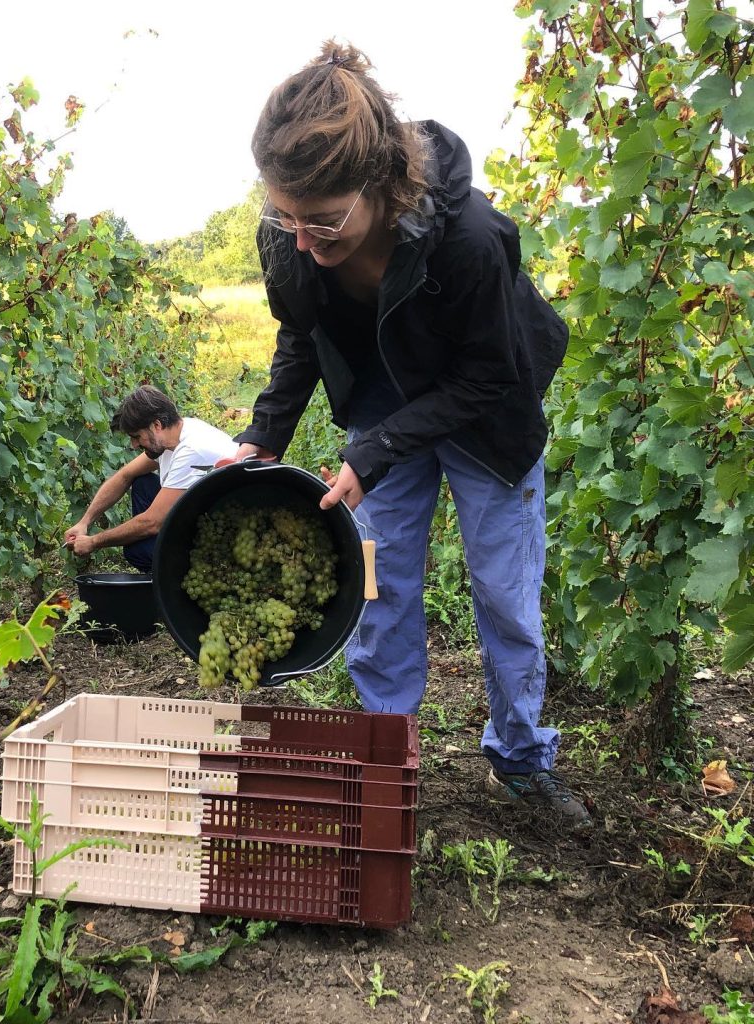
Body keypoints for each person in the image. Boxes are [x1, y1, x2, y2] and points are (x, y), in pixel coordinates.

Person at [234, 42, 590, 827]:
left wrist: (375, 449)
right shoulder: (290, 229)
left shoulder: (467, 236)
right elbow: (300, 333)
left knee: (505, 596)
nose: (300, 239)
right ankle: (385, 756)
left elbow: (490, 374)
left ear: (379, 187)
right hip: (380, 400)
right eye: (283, 216)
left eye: (323, 222)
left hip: (487, 408)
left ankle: (522, 761)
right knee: (381, 583)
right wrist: (266, 435)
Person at [64, 385, 237, 571]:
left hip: (225, 539)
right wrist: (84, 522)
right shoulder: (175, 434)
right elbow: (125, 475)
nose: (133, 444)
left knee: (138, 550)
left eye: (137, 437)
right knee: (142, 483)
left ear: (156, 425)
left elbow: (151, 523)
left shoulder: (191, 451)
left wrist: (94, 542)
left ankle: (176, 580)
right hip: (206, 512)